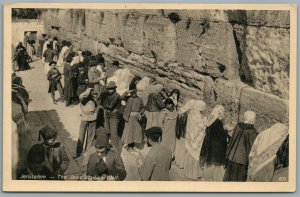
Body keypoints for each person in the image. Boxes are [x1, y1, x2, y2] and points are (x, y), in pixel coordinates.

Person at [223, 111, 258, 182]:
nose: (255, 120)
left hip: (231, 156)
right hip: (242, 161)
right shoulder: (252, 131)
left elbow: (233, 138)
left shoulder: (238, 126)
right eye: (254, 118)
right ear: (252, 119)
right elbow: (253, 146)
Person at [200, 105, 229, 181]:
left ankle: (207, 178)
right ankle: (216, 179)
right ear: (219, 113)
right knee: (216, 164)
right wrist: (226, 131)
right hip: (217, 146)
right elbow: (221, 136)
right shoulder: (218, 122)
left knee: (210, 163)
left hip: (210, 144)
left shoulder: (211, 120)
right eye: (222, 112)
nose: (223, 113)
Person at [184, 100, 207, 180]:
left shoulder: (191, 113)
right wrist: (205, 121)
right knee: (195, 155)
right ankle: (194, 174)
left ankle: (188, 172)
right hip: (195, 139)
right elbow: (200, 127)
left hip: (189, 137)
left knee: (189, 154)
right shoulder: (198, 116)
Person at [74, 88, 99, 159]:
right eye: (93, 94)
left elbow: (98, 106)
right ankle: (78, 152)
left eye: (96, 94)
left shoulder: (95, 100)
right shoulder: (84, 99)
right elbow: (81, 96)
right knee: (81, 135)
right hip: (84, 118)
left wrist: (95, 99)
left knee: (91, 136)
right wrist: (89, 90)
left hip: (93, 119)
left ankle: (88, 152)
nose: (95, 95)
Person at [99, 81, 122, 155]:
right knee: (107, 132)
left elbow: (110, 106)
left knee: (114, 134)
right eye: (108, 89)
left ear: (114, 89)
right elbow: (100, 102)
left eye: (111, 89)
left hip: (114, 116)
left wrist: (104, 105)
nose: (109, 90)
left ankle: (116, 152)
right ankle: (106, 148)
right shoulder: (106, 94)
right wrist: (103, 92)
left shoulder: (117, 96)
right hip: (107, 114)